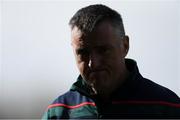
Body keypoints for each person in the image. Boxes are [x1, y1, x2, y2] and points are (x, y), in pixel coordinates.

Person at [42, 4, 180, 119]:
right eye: (83, 53)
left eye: (102, 50)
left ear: (125, 46)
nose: (92, 63)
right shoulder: (59, 111)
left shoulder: (166, 107)